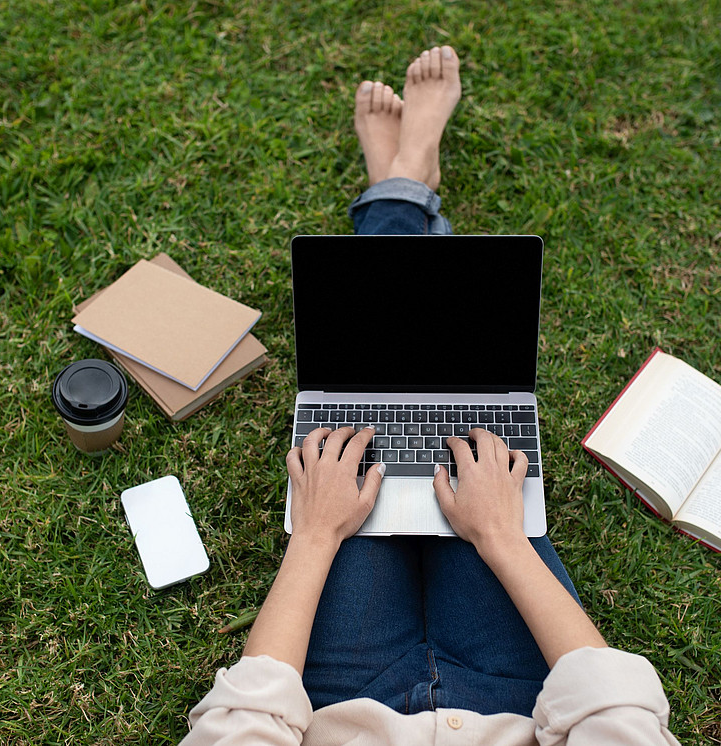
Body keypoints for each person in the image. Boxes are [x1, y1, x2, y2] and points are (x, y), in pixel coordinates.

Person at [180, 46, 679, 745]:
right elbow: (614, 716)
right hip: (523, 696)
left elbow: (246, 723)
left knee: (371, 384)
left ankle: (403, 181)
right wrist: (500, 535)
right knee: (442, 409)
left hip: (338, 699)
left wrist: (318, 531)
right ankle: (407, 177)